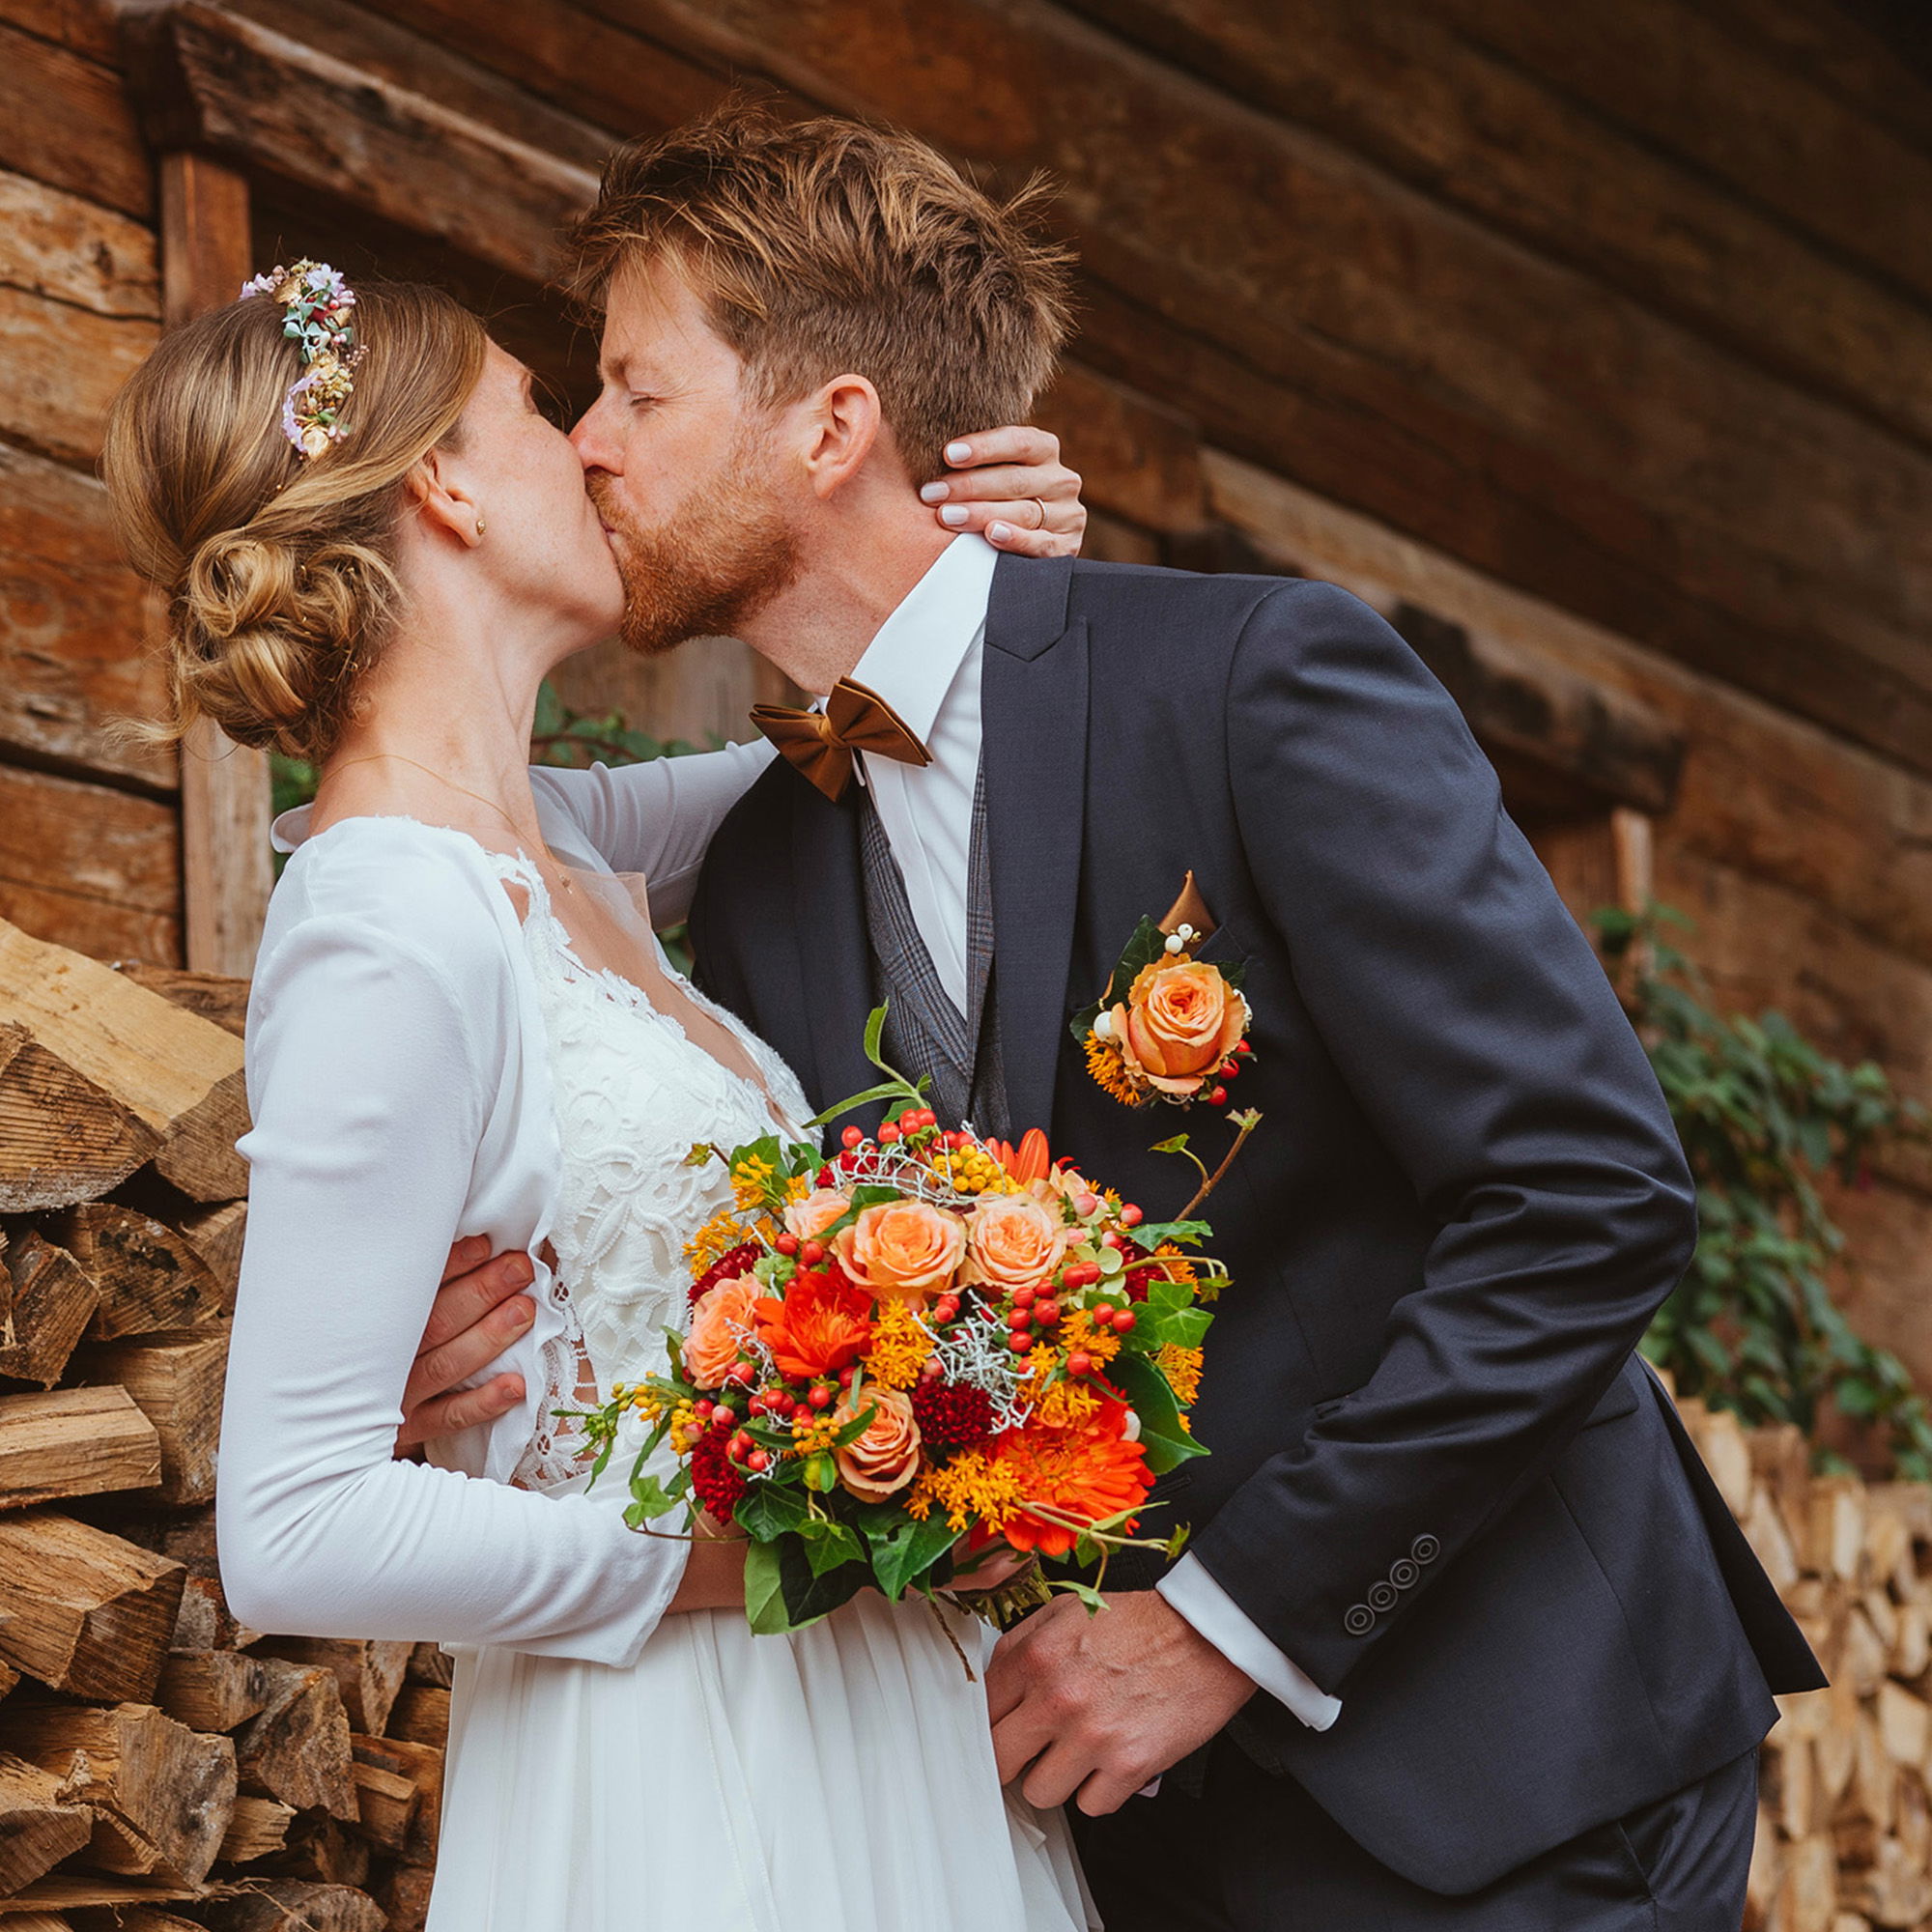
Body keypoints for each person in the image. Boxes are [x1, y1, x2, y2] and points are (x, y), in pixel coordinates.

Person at [413, 105, 1827, 1929]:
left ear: (832, 426)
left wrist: (1221, 1625)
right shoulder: (756, 868)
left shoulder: (1253, 681)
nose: (589, 444)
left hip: (1506, 1764)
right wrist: (453, 1385)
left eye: (634, 390)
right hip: (1119, 1837)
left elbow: (1587, 1193)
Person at [103, 258, 1099, 1931]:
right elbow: (292, 1522)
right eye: (538, 403)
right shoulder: (382, 917)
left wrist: (978, 556)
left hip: (861, 1717)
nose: (590, 441)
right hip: (679, 1751)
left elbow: (872, 735)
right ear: (445, 485)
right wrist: (754, 1551)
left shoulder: (567, 842)